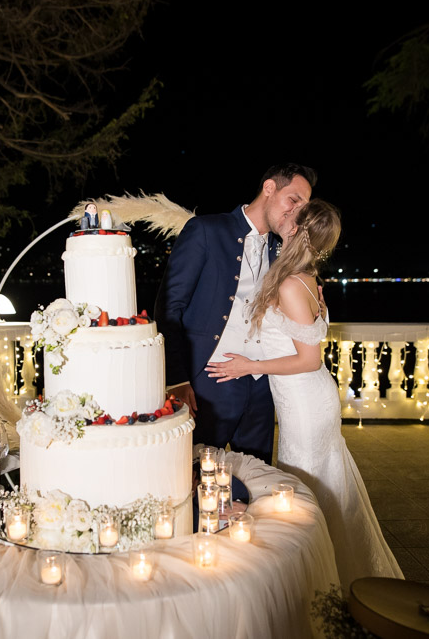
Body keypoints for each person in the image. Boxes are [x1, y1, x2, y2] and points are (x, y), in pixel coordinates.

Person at [205, 199, 403, 589]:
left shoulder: (292, 284)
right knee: (318, 484)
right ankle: (331, 573)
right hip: (307, 398)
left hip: (305, 401)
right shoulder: (305, 277)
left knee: (305, 488)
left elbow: (309, 359)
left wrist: (249, 366)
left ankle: (321, 581)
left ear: (296, 230)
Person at [154, 163, 315, 464]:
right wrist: (176, 379)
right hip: (206, 386)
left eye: (303, 207)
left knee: (258, 478)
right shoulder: (206, 230)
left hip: (261, 389)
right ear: (269, 188)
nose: (297, 212)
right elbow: (169, 307)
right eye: (293, 200)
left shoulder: (280, 251)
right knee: (194, 471)